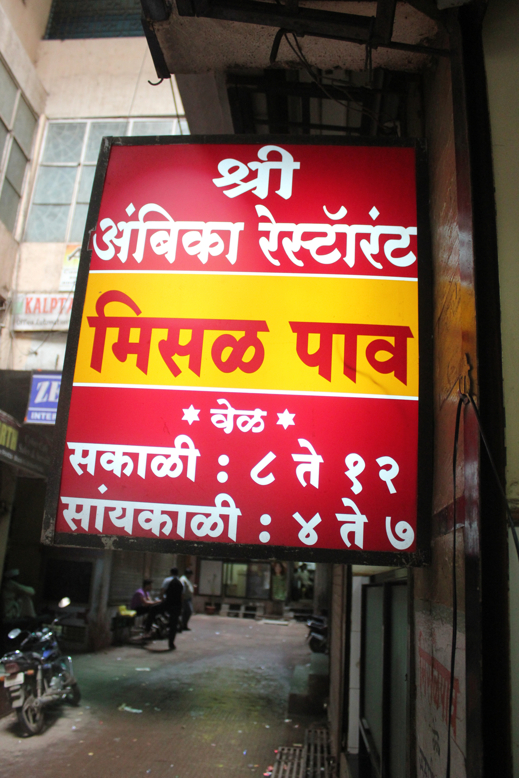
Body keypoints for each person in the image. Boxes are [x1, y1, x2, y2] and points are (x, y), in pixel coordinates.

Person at [161, 567, 183, 650]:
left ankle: (148, 629)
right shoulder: (181, 582)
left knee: (153, 610)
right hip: (176, 606)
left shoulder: (167, 580)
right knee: (173, 624)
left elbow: (162, 591)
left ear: (170, 573)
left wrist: (162, 600)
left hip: (167, 604)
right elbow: (182, 596)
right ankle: (171, 643)